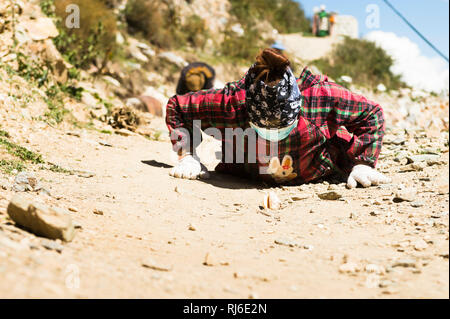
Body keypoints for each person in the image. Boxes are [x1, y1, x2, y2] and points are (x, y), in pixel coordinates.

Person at [165, 48, 390, 189]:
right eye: (263, 128)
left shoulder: (321, 97)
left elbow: (371, 114)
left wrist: (363, 163)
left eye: (282, 127)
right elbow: (178, 107)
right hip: (244, 173)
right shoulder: (231, 102)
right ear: (247, 109)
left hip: (321, 170)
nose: (273, 135)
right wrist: (188, 155)